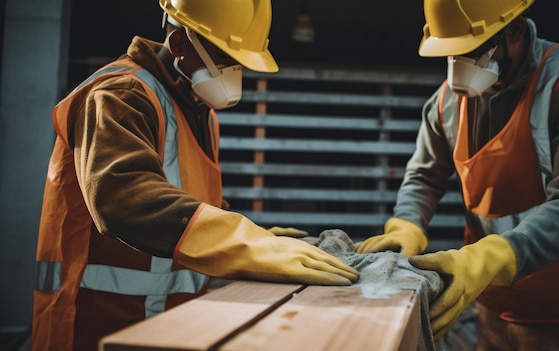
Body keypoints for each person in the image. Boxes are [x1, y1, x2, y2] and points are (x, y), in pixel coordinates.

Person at [31, 1, 359, 350]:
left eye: (239, 62)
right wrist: (245, 243)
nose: (233, 71)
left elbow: (192, 203)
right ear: (180, 46)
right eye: (225, 58)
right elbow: (122, 196)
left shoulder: (195, 110)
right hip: (95, 329)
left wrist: (262, 238)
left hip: (175, 328)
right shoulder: (120, 95)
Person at [356, 0, 559, 349]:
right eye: (452, 54)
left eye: (472, 53)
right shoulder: (447, 101)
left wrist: (485, 259)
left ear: (516, 31)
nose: (458, 70)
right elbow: (424, 176)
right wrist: (407, 225)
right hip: (488, 294)